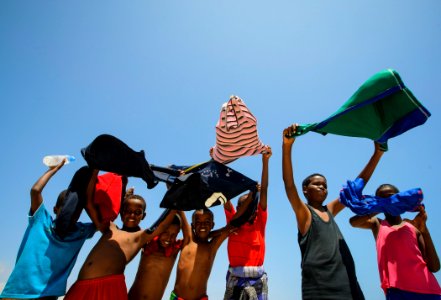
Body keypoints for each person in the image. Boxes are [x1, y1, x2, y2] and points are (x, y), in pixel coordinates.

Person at [282, 124, 384, 300]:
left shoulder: (329, 210)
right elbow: (289, 185)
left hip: (349, 286)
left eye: (325, 185)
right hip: (321, 289)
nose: (322, 187)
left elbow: (356, 187)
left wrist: (377, 154)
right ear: (305, 190)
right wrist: (287, 145)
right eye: (317, 184)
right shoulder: (305, 213)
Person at [0, 160, 96, 300]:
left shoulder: (80, 231)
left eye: (77, 211)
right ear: (55, 209)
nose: (72, 214)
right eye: (66, 208)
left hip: (48, 296)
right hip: (18, 293)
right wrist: (53, 170)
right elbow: (35, 191)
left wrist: (96, 177)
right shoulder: (41, 221)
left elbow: (103, 223)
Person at [64, 183, 176, 300]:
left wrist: (174, 194)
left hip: (109, 289)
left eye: (137, 212)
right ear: (121, 212)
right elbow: (89, 204)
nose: (132, 215)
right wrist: (95, 169)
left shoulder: (139, 237)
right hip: (81, 287)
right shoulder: (109, 228)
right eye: (128, 211)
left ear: (143, 215)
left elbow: (162, 225)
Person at [350, 184, 441, 299]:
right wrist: (381, 205)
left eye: (392, 198)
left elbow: (435, 267)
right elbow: (354, 222)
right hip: (396, 291)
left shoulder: (412, 227)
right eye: (383, 199)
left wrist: (424, 228)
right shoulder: (377, 224)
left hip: (429, 291)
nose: (389, 202)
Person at [171, 198, 254, 300]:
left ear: (212, 225)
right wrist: (172, 186)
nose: (203, 225)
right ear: (192, 225)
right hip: (178, 298)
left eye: (207, 222)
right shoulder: (188, 240)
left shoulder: (212, 246)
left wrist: (251, 196)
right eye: (198, 222)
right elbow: (178, 208)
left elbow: (234, 222)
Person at [223, 146, 271, 300]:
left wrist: (265, 161)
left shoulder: (259, 221)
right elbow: (223, 193)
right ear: (236, 209)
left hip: (257, 279)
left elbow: (264, 190)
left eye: (252, 206)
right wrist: (217, 161)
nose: (250, 209)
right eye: (244, 206)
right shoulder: (233, 221)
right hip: (234, 279)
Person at [128, 211, 191, 300]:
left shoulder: (174, 250)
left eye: (174, 235)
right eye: (166, 233)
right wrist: (172, 208)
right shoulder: (147, 242)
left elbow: (188, 238)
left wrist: (180, 211)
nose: (169, 238)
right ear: (160, 229)